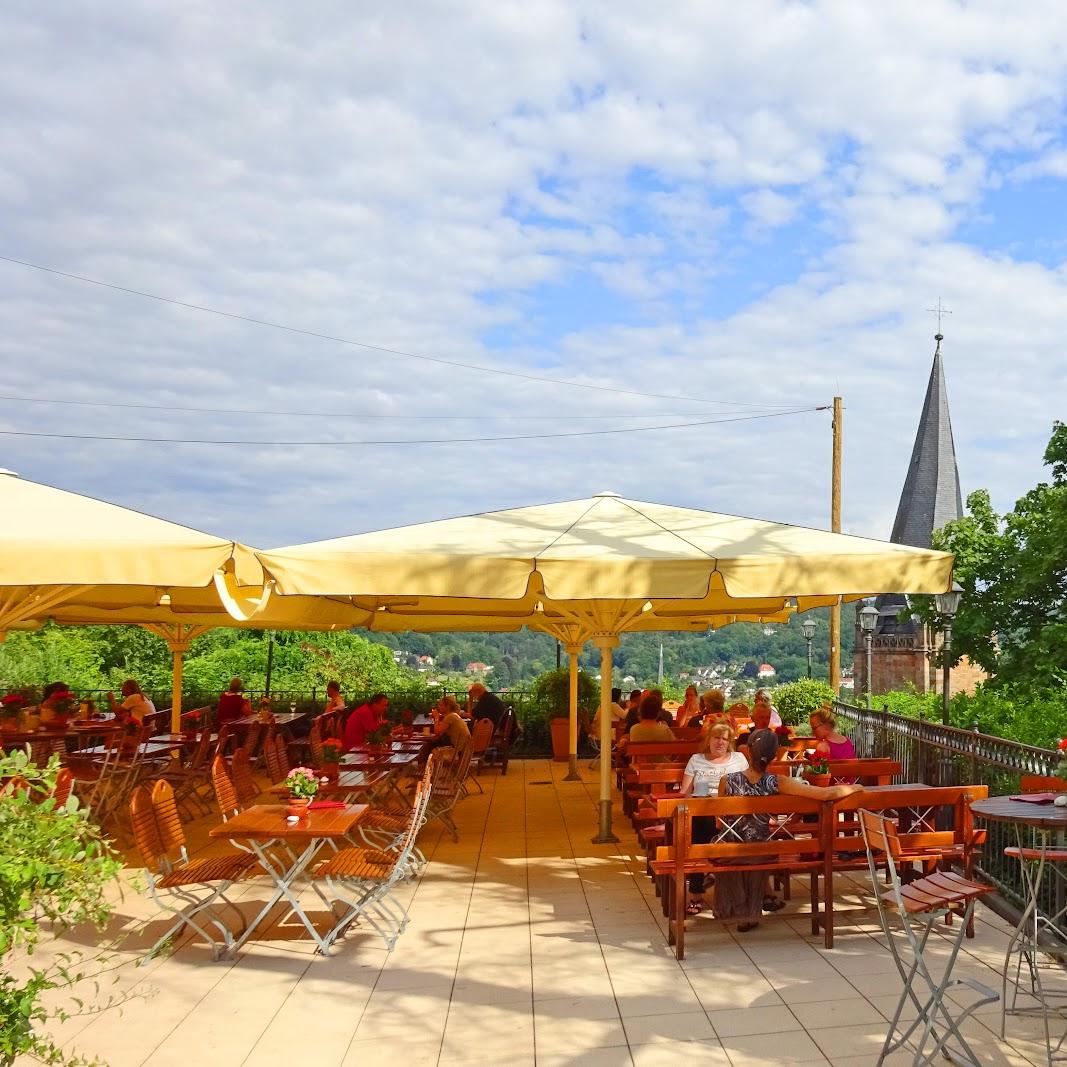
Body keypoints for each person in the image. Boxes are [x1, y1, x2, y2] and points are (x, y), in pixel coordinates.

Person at [713, 729, 861, 932]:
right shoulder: (777, 781)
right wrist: (855, 788)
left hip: (727, 853)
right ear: (774, 756)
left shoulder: (726, 781)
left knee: (732, 846)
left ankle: (740, 911)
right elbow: (826, 794)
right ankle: (751, 911)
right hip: (762, 853)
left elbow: (719, 824)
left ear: (748, 751)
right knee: (758, 848)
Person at [680, 722, 749, 914]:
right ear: (708, 739)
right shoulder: (696, 759)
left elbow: (747, 786)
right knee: (699, 825)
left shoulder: (739, 758)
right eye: (716, 737)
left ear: (730, 743)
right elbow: (685, 792)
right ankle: (697, 890)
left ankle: (705, 885)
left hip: (731, 813)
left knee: (709, 830)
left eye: (725, 739)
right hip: (703, 812)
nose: (720, 742)